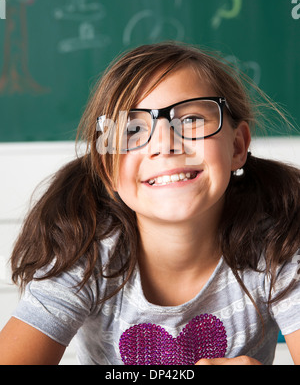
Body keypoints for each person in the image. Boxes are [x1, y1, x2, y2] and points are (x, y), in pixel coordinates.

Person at [0, 42, 299, 365]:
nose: (165, 144)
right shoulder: (83, 253)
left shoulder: (280, 247)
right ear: (107, 169)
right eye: (133, 129)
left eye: (191, 119)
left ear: (238, 146)